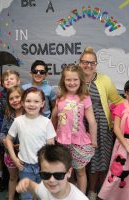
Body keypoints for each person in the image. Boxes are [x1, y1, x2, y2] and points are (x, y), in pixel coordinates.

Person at [78, 47, 123, 199]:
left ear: (96, 64)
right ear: (80, 63)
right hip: (79, 124)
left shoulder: (104, 79)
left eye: (92, 63)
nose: (88, 66)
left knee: (99, 161)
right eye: (85, 62)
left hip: (102, 124)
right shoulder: (73, 78)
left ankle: (95, 191)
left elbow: (117, 100)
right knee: (81, 159)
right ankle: (80, 191)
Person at [51, 64, 97, 194]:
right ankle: (70, 194)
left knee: (80, 171)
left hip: (78, 141)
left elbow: (92, 121)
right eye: (68, 80)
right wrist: (51, 136)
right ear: (63, 81)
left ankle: (81, 196)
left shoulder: (84, 97)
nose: (72, 83)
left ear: (80, 80)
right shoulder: (60, 97)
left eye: (75, 79)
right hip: (61, 141)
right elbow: (53, 118)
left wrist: (94, 140)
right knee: (66, 171)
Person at [5, 87, 56, 200]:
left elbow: (51, 146)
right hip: (25, 167)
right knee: (26, 196)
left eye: (36, 101)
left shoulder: (46, 122)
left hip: (43, 167)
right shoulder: (18, 121)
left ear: (42, 104)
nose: (32, 104)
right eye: (28, 101)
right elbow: (8, 139)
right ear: (22, 103)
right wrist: (14, 158)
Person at [16, 144, 88, 200]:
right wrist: (28, 183)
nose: (51, 180)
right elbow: (37, 188)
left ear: (69, 172)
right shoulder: (45, 187)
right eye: (45, 175)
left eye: (58, 175)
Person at [0, 86, 24, 200]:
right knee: (13, 177)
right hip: (10, 153)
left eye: (17, 97)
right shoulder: (8, 114)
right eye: (11, 98)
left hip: (27, 155)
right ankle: (10, 197)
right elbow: (2, 133)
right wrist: (5, 141)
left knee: (26, 179)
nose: (15, 100)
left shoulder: (30, 113)